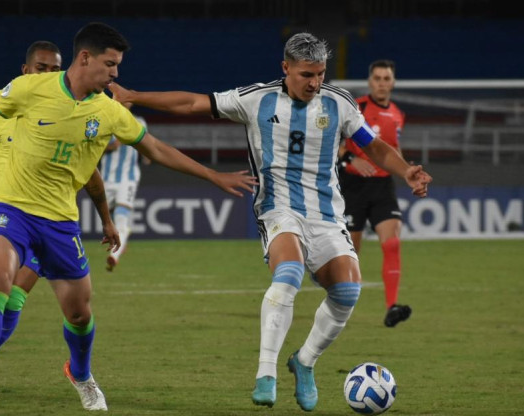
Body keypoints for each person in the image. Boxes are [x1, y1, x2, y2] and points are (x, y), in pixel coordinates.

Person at [0, 22, 256, 415]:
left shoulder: (107, 112)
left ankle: (80, 372)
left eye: (118, 66)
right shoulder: (30, 89)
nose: (116, 74)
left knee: (79, 312)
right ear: (85, 58)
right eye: (111, 64)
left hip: (59, 223)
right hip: (9, 208)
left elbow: (154, 150)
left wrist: (213, 176)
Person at [110, 32, 431, 411]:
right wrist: (133, 97)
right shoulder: (256, 99)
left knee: (347, 292)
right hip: (277, 209)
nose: (314, 82)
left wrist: (405, 170)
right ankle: (266, 372)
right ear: (286, 68)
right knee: (289, 271)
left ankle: (304, 361)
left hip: (326, 214)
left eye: (321, 74)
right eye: (306, 74)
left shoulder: (338, 102)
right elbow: (193, 102)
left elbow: (372, 145)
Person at [0, 41, 120, 391]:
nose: (49, 73)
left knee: (12, 296)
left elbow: (90, 174)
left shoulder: (68, 115)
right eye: (41, 67)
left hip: (48, 223)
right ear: (25, 71)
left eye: (55, 68)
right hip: (2, 218)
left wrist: (106, 218)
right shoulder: (1, 116)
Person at [337, 59, 411, 328]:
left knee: (392, 243)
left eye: (386, 78)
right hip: (351, 187)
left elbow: (393, 149)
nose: (382, 83)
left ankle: (392, 307)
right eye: (377, 78)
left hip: (382, 187)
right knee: (349, 254)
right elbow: (332, 142)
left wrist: (407, 173)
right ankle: (338, 308)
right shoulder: (355, 107)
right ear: (370, 82)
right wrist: (350, 161)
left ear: (392, 82)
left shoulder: (397, 114)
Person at [101, 102, 149, 272]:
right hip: (106, 178)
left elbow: (146, 145)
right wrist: (115, 143)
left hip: (128, 178)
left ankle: (115, 255)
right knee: (108, 217)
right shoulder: (106, 121)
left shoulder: (140, 122)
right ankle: (122, 243)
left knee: (122, 217)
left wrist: (146, 155)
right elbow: (100, 147)